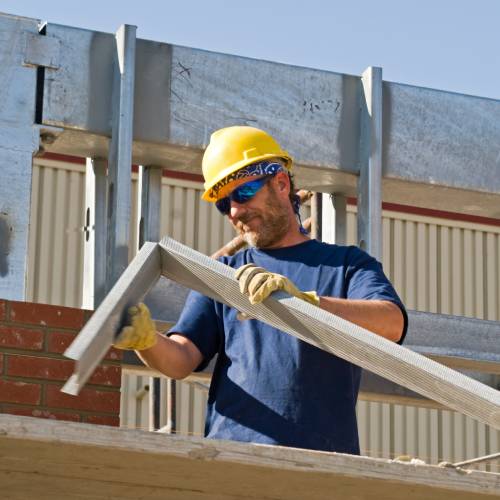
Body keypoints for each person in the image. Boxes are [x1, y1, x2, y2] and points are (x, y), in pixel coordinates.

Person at [116, 126, 408, 454]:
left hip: (322, 464)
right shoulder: (223, 275)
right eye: (224, 205)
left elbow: (391, 324)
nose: (236, 212)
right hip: (233, 460)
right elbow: (182, 359)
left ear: (281, 183)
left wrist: (306, 304)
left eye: (244, 193)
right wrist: (146, 341)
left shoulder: (345, 265)